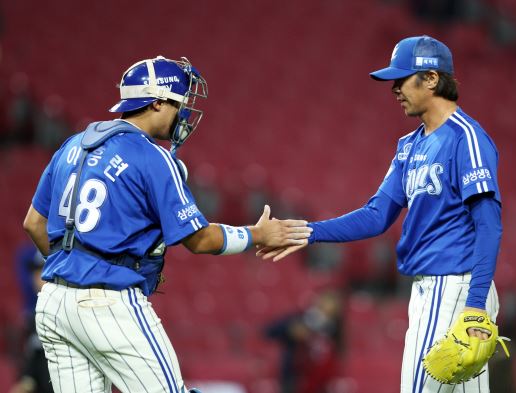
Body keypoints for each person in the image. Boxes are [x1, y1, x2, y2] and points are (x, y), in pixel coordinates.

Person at [22, 55, 312, 393]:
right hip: (107, 303)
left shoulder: (72, 145)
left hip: (53, 303)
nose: (184, 113)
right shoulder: (151, 156)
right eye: (179, 103)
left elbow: (33, 223)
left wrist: (74, 268)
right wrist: (257, 234)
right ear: (157, 103)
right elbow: (199, 239)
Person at [259, 36, 503, 393]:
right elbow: (376, 214)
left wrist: (476, 305)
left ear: (432, 79)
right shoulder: (409, 146)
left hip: (454, 286)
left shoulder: (466, 138)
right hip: (437, 289)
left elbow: (489, 225)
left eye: (402, 79)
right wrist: (307, 231)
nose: (394, 89)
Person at [265, 290, 344, 393]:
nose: (326, 308)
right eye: (325, 303)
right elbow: (270, 331)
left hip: (320, 380)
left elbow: (338, 353)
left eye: (332, 306)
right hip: (294, 377)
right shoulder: (300, 318)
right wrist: (290, 330)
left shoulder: (335, 330)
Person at [10, 246, 53, 393]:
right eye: (35, 271)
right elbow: (35, 360)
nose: (37, 278)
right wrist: (27, 381)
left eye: (42, 270)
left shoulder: (68, 313)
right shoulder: (33, 317)